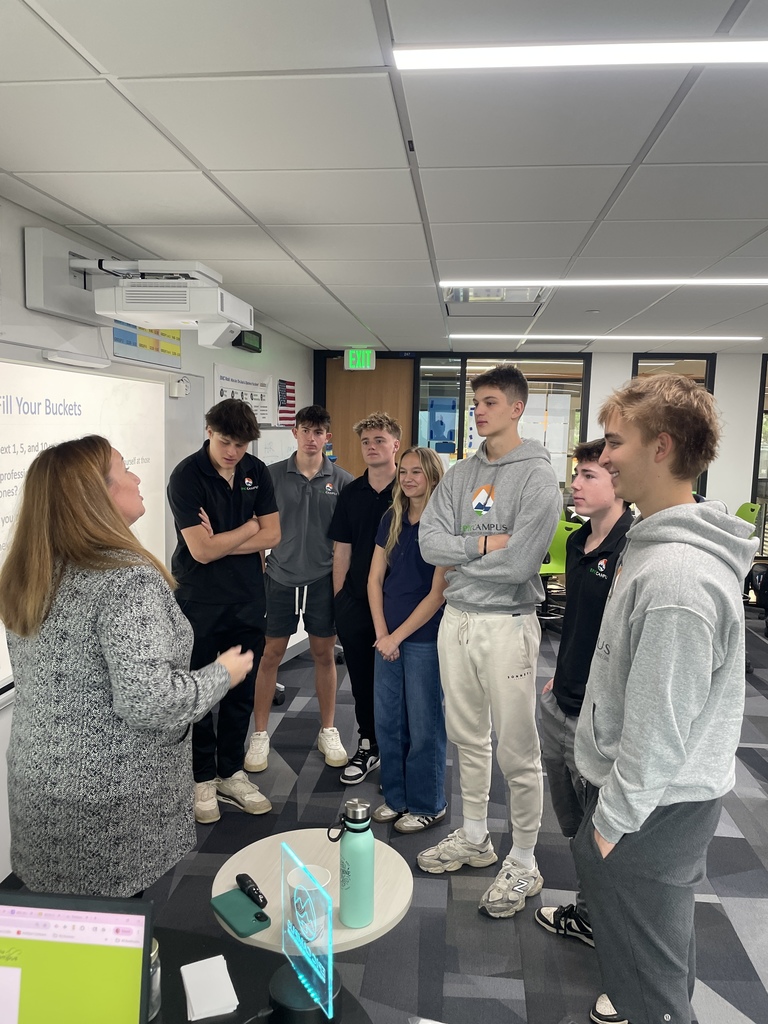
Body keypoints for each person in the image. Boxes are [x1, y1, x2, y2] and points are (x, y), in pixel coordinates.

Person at [572, 374, 757, 1024]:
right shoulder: (654, 546)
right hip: (655, 804)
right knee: (652, 958)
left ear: (662, 447)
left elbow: (657, 734)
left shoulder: (678, 579)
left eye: (617, 441)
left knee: (652, 988)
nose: (605, 455)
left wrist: (608, 826)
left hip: (652, 812)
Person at [0, 436, 253, 897]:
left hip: (40, 781)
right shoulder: (123, 579)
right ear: (96, 496)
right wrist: (223, 674)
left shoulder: (30, 570)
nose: (137, 478)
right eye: (125, 470)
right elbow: (151, 703)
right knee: (112, 940)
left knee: (64, 933)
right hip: (106, 798)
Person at [417, 363, 561, 919]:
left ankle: (523, 859)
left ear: (518, 408)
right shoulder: (458, 474)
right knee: (468, 737)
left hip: (507, 625)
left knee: (517, 749)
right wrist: (480, 549)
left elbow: (523, 560)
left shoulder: (537, 477)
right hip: (457, 622)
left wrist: (463, 562)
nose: (478, 410)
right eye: (476, 402)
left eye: (491, 402)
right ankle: (474, 836)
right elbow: (430, 542)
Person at [534, 439, 633, 946]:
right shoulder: (577, 542)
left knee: (601, 827)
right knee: (571, 821)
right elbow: (579, 622)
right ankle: (589, 906)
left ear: (619, 481)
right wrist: (561, 670)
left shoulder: (631, 547)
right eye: (576, 474)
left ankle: (603, 920)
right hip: (560, 698)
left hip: (599, 714)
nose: (575, 484)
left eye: (590, 475)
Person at [167, 399, 280, 823]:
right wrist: (251, 527)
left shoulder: (257, 471)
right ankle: (201, 778)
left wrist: (233, 537)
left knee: (239, 691)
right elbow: (201, 549)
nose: (233, 452)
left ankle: (231, 771)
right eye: (226, 441)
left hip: (249, 597)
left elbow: (275, 534)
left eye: (241, 444)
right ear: (209, 430)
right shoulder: (186, 475)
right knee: (198, 691)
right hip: (200, 599)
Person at [246, 405, 353, 773]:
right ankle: (259, 735)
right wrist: (261, 576)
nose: (311, 437)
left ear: (328, 436)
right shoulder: (271, 476)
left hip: (322, 580)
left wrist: (340, 588)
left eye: (318, 431)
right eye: (305, 430)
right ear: (295, 433)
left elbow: (345, 544)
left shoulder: (343, 481)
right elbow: (257, 531)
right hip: (280, 577)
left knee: (324, 654)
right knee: (270, 655)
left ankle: (328, 728)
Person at [368, 447, 449, 833]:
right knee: (388, 722)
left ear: (433, 475)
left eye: (417, 472)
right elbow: (373, 580)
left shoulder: (444, 524)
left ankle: (427, 803)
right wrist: (382, 634)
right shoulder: (391, 517)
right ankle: (396, 798)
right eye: (403, 471)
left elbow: (437, 594)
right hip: (388, 637)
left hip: (424, 639)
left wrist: (396, 636)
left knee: (423, 725)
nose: (408, 478)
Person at [329, 412, 401, 784]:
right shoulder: (351, 492)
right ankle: (369, 742)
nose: (372, 448)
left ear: (395, 445)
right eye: (365, 442)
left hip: (400, 604)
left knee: (401, 679)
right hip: (356, 601)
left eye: (379, 441)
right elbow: (341, 549)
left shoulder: (410, 491)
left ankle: (399, 747)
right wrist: (340, 597)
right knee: (361, 679)